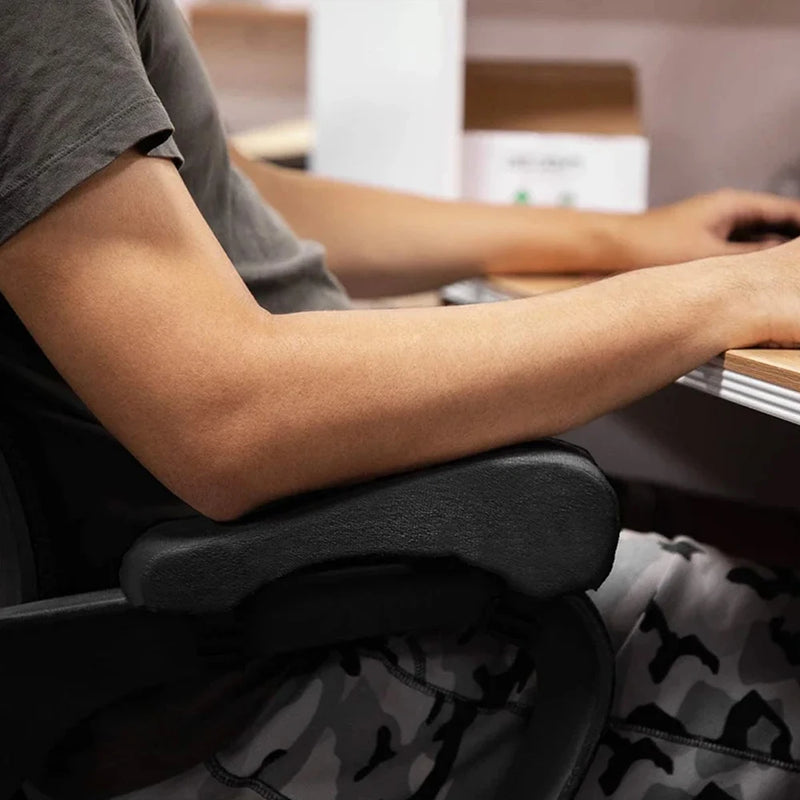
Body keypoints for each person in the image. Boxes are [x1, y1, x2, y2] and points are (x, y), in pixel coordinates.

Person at [3, 1, 800, 798]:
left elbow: (220, 193)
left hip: (293, 603)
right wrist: (732, 295)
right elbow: (221, 413)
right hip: (264, 668)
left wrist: (616, 239)